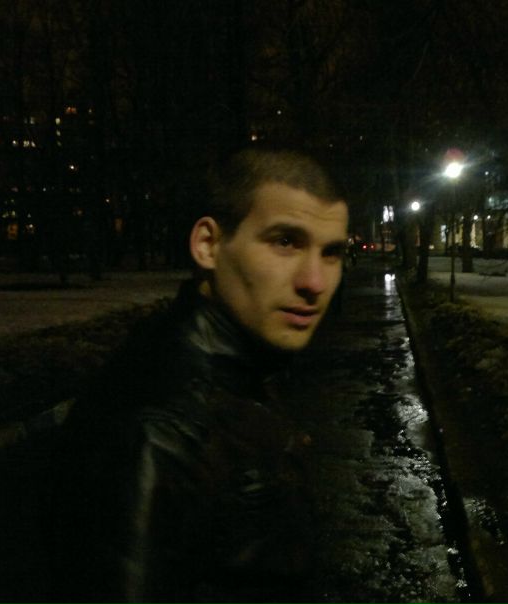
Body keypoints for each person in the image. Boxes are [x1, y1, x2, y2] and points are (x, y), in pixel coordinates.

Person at [52, 148, 349, 603]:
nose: (314, 282)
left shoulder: (236, 366)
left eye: (332, 253)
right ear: (208, 245)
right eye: (285, 242)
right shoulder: (159, 432)